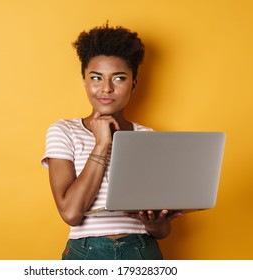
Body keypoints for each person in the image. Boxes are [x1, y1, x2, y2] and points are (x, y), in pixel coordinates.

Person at [41, 23, 182, 260]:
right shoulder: (64, 131)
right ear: (84, 80)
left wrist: (156, 222)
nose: (106, 89)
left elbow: (163, 232)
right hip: (86, 253)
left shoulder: (147, 137)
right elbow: (71, 213)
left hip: (141, 250)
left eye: (119, 78)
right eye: (96, 78)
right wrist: (101, 144)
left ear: (134, 83)